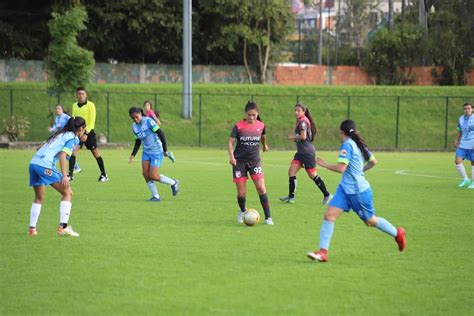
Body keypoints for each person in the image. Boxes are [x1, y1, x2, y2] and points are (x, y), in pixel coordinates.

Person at [307, 120, 406, 262]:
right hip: (344, 190)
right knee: (329, 215)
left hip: (358, 192)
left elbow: (341, 168)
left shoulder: (347, 144)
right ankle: (323, 253)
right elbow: (373, 162)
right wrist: (360, 172)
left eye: (339, 133)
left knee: (370, 221)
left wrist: (324, 164)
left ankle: (398, 234)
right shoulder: (360, 144)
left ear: (342, 132)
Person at [28, 116, 86, 237]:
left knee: (39, 197)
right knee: (68, 193)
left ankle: (32, 229)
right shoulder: (73, 138)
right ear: (81, 129)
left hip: (33, 163)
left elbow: (39, 148)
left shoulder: (60, 134)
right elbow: (63, 155)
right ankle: (63, 227)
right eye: (84, 130)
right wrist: (64, 175)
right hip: (44, 166)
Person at [228, 101, 274, 225]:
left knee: (261, 187)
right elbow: (230, 143)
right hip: (239, 162)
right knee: (241, 193)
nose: (251, 117)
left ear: (257, 114)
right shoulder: (238, 126)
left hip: (255, 162)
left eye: (254, 115)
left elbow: (263, 136)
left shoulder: (261, 125)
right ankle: (242, 211)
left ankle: (268, 217)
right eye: (249, 115)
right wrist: (232, 157)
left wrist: (264, 145)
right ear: (245, 114)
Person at [280, 103, 332, 204]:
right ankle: (291, 197)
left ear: (303, 111)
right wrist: (296, 139)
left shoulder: (303, 121)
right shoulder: (301, 121)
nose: (296, 112)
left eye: (298, 110)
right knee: (291, 172)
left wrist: (293, 137)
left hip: (307, 153)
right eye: (295, 110)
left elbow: (303, 136)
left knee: (312, 175)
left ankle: (327, 194)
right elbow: (304, 137)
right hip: (300, 153)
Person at [128, 107, 179, 201]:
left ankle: (173, 182)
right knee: (145, 174)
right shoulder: (134, 127)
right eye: (133, 118)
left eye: (137, 117)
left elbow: (161, 133)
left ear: (140, 114)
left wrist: (165, 150)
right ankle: (155, 196)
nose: (135, 119)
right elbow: (138, 141)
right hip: (146, 152)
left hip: (156, 152)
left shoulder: (148, 122)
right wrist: (133, 155)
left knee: (153, 175)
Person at [68, 87, 108, 182]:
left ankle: (104, 175)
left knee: (95, 153)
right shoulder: (74, 106)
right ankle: (70, 175)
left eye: (82, 94)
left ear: (86, 95)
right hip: (78, 133)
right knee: (73, 151)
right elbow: (73, 119)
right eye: (79, 94)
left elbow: (92, 121)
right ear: (76, 95)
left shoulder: (91, 105)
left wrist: (85, 133)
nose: (81, 95)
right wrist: (75, 132)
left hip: (88, 133)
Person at [48, 104, 81, 173]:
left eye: (59, 108)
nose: (57, 110)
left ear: (62, 110)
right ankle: (77, 167)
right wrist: (51, 129)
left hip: (66, 138)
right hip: (60, 137)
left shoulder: (66, 117)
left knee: (61, 152)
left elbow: (72, 123)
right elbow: (56, 127)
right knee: (65, 154)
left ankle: (52, 167)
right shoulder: (57, 118)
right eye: (56, 109)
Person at [454, 102, 474, 189]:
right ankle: (465, 179)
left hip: (472, 144)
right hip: (462, 144)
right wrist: (457, 139)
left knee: (473, 163)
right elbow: (460, 130)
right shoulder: (461, 118)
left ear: (472, 109)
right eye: (465, 109)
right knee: (457, 161)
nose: (467, 110)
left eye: (468, 108)